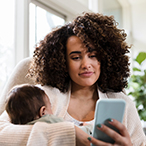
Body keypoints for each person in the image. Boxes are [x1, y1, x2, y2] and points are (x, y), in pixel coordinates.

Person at [0, 12, 145, 146]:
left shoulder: (123, 104)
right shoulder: (42, 96)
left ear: (105, 58)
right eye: (76, 57)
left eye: (93, 55)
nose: (86, 65)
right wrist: (68, 133)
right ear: (63, 62)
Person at [5, 84, 92, 134]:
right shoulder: (49, 120)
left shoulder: (18, 127)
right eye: (50, 107)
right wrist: (87, 127)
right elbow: (71, 131)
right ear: (43, 112)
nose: (52, 111)